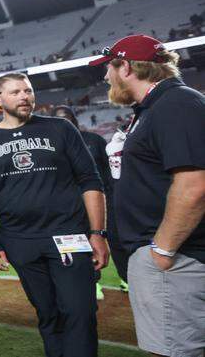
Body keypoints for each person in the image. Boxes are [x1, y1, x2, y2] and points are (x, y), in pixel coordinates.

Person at [0, 73, 107, 357]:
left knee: (80, 311)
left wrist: (98, 233)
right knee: (48, 314)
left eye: (28, 91)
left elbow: (90, 180)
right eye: (15, 92)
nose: (24, 96)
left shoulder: (61, 128)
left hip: (68, 234)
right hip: (19, 240)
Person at [90, 35, 205, 357]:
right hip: (173, 256)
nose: (106, 77)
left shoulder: (176, 104)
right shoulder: (158, 106)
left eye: (109, 68)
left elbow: (194, 184)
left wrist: (163, 251)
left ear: (125, 66)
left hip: (177, 258)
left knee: (172, 351)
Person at [54, 104, 126, 296]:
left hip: (103, 200)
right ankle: (92, 281)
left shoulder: (94, 140)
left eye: (66, 118)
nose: (63, 123)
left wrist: (114, 195)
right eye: (58, 120)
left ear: (74, 121)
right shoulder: (51, 148)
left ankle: (125, 277)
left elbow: (111, 169)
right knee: (78, 244)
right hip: (72, 205)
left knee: (116, 238)